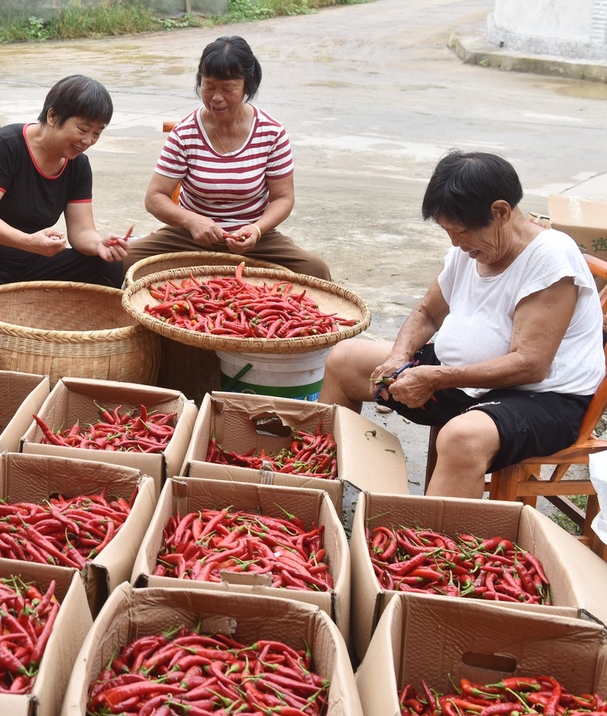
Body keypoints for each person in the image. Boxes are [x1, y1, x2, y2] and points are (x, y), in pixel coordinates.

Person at [319, 150, 604, 498]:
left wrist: (435, 377)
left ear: (500, 212)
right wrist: (399, 355)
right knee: (345, 360)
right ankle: (322, 490)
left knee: (461, 437)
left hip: (542, 397)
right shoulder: (471, 248)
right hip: (462, 376)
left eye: (462, 231)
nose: (454, 242)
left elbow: (531, 365)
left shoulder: (550, 259)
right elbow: (428, 313)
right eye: (447, 231)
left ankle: (434, 545)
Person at [124, 36, 330, 280]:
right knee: (120, 260)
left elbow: (283, 197)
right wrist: (192, 222)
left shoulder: (271, 132)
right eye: (208, 87)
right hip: (189, 237)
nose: (216, 98)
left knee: (315, 271)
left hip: (255, 240)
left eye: (228, 89)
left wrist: (256, 229)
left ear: (247, 87)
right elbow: (155, 198)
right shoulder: (185, 132)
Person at [0, 75, 129, 314]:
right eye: (83, 129)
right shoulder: (6, 145)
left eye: (97, 133)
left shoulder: (78, 164)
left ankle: (70, 341)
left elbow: (81, 231)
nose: (88, 140)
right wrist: (30, 242)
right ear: (52, 116)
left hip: (30, 259)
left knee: (107, 267)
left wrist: (100, 244)